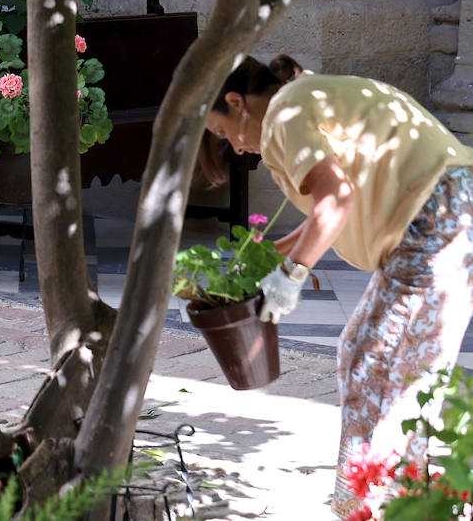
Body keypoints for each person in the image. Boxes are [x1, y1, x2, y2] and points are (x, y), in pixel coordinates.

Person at [201, 55, 473, 517]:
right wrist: (272, 257)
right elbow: (324, 211)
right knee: (365, 355)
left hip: (437, 216)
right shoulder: (299, 100)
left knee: (387, 372)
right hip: (437, 213)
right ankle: (377, 501)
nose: (235, 147)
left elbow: (336, 200)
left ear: (236, 101)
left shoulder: (285, 111)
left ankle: (377, 505)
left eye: (225, 133)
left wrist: (291, 277)